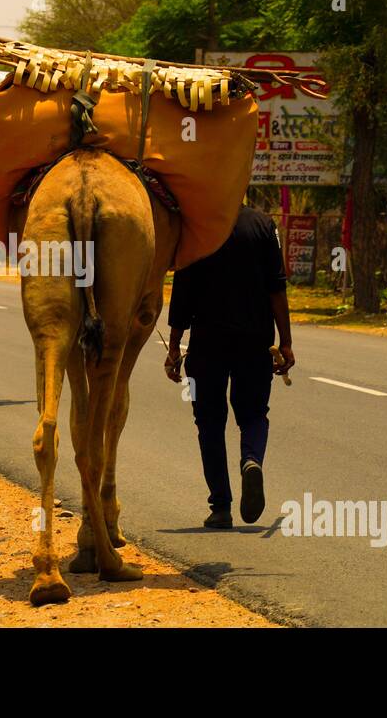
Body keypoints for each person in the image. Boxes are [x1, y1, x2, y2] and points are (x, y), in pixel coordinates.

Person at [164, 203, 294, 529]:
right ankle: (251, 460)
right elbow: (276, 287)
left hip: (206, 345)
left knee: (209, 423)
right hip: (256, 341)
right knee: (252, 414)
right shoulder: (263, 225)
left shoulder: (197, 225)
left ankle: (220, 507)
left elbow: (182, 291)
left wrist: (175, 345)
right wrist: (286, 341)